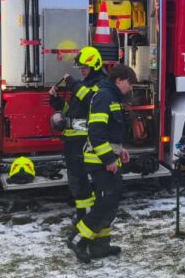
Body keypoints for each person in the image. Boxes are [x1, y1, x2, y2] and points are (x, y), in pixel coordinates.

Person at [67, 63, 136, 263]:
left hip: (105, 158)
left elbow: (109, 131)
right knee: (107, 201)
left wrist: (119, 150)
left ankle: (100, 246)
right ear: (119, 80)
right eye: (130, 83)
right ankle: (78, 239)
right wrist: (108, 159)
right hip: (99, 160)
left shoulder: (111, 96)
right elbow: (96, 133)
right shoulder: (105, 97)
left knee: (109, 201)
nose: (130, 88)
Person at [50, 46, 106, 223]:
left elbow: (91, 101)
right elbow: (72, 110)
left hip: (85, 141)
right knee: (77, 182)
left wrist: (74, 84)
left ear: (95, 66)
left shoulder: (102, 85)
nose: (82, 71)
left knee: (82, 181)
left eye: (85, 68)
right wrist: (56, 101)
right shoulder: (85, 84)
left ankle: (87, 217)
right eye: (81, 68)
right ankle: (83, 215)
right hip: (73, 140)